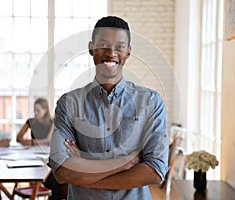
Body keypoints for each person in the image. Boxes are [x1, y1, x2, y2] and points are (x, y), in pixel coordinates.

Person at [48, 16, 169, 200]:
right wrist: (125, 163)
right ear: (91, 48)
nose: (111, 53)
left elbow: (154, 171)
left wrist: (84, 166)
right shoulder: (68, 103)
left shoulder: (150, 101)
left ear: (128, 51)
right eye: (103, 44)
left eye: (119, 46)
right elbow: (63, 172)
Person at [17, 97, 67, 200]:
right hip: (32, 154)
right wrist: (24, 141)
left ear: (45, 110)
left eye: (38, 110)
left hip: (46, 154)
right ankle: (41, 189)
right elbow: (18, 137)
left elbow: (48, 140)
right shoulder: (30, 121)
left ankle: (52, 193)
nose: (35, 113)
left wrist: (32, 142)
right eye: (34, 110)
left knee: (53, 176)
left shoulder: (52, 121)